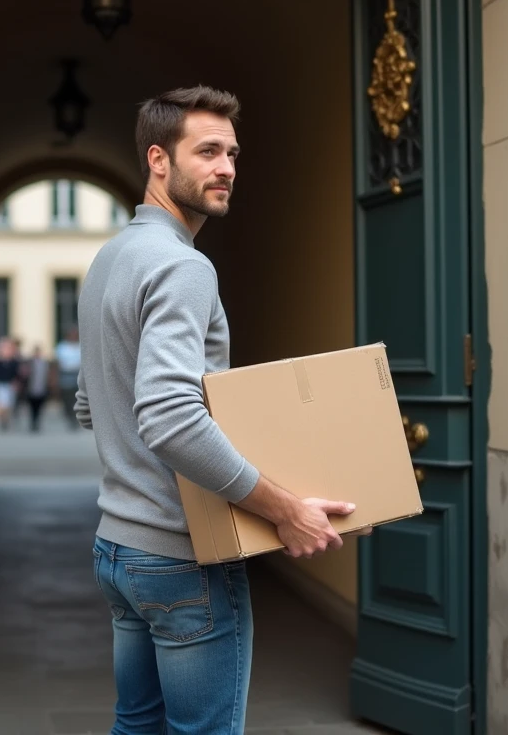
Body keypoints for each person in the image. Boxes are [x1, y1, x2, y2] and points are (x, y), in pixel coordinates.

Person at [74, 86, 363, 734]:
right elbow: (171, 416)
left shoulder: (107, 261)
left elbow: (91, 404)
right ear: (157, 159)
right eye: (206, 151)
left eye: (232, 153)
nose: (226, 167)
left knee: (136, 727)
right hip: (181, 558)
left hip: (118, 550)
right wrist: (285, 509)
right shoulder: (183, 267)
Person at [54, 327, 82, 430]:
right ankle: (69, 416)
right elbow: (57, 363)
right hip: (65, 375)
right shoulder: (62, 347)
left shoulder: (80, 346)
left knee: (77, 398)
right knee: (66, 399)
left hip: (78, 375)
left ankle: (76, 418)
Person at [0, 337, 19, 432]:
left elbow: (16, 374)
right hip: (0, 385)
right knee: (1, 404)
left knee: (8, 405)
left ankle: (6, 420)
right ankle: (2, 420)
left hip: (9, 385)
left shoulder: (14, 362)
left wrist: (16, 383)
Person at [24, 345, 51, 433]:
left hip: (41, 389)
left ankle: (37, 423)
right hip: (31, 389)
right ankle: (33, 423)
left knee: (39, 407)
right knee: (32, 408)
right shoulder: (29, 363)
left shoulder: (44, 363)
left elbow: (47, 375)